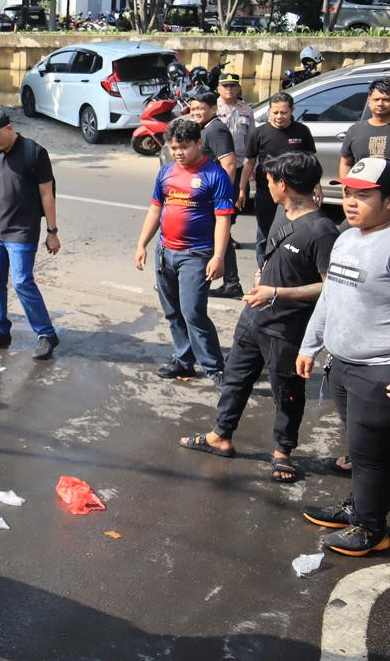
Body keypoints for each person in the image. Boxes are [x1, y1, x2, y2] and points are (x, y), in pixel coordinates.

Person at [178, 152, 337, 482]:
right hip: (253, 318)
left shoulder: (322, 231)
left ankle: (282, 453)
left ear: (284, 184)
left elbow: (328, 287)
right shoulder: (281, 210)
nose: (264, 186)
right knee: (234, 380)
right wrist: (261, 275)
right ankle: (220, 436)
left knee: (287, 393)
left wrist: (276, 292)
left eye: (268, 181)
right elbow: (270, 255)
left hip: (287, 329)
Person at [298, 157, 390, 556]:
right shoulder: (346, 237)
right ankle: (359, 509)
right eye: (349, 193)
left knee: (370, 456)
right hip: (342, 366)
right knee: (360, 450)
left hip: (377, 372)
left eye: (363, 195)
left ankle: (371, 529)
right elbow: (330, 297)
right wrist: (310, 344)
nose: (351, 202)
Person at [134, 118, 234, 381]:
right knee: (173, 312)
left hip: (196, 255)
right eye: (174, 147)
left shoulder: (215, 175)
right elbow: (155, 209)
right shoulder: (166, 172)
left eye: (184, 147)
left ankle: (215, 368)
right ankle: (183, 360)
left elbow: (223, 219)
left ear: (198, 143)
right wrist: (142, 244)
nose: (178, 152)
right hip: (165, 253)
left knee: (193, 312)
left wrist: (218, 256)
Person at [0, 109, 61, 360]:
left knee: (22, 282)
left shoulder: (35, 153)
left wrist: (52, 231)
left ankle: (46, 334)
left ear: (9, 128)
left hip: (22, 232)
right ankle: (0, 329)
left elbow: (47, 194)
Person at [240, 92, 316, 266]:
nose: (279, 116)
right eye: (275, 112)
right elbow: (249, 162)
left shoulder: (302, 131)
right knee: (264, 233)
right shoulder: (259, 133)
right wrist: (241, 189)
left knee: (294, 232)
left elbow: (310, 160)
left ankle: (288, 266)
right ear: (269, 111)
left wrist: (316, 185)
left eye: (283, 112)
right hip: (266, 191)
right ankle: (263, 268)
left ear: (292, 111)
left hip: (295, 192)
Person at [187, 90, 244, 298]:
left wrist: (221, 196)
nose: (196, 112)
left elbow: (229, 164)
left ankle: (221, 282)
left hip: (215, 196)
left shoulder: (215, 130)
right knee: (219, 237)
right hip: (207, 194)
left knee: (213, 237)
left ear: (213, 108)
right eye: (193, 108)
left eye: (201, 108)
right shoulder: (205, 127)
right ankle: (231, 283)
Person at [338, 79, 390, 177]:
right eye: (376, 99)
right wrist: (346, 185)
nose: (380, 104)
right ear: (369, 101)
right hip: (361, 185)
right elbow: (346, 163)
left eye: (386, 100)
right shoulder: (355, 130)